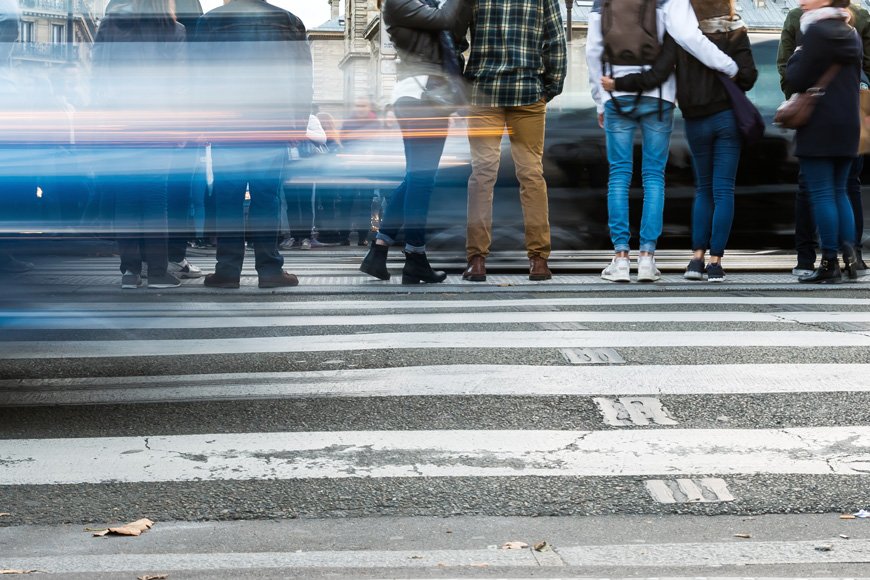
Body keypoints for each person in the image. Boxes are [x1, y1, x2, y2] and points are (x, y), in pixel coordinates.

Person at [603, 0, 758, 282]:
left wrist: (618, 85)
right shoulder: (736, 31)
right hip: (727, 119)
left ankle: (696, 260)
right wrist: (729, 69)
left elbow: (658, 74)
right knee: (724, 190)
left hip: (697, 121)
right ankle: (715, 263)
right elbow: (748, 76)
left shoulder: (682, 34)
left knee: (704, 189)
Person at [193, 0, 312, 289]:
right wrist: (298, 121)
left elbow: (197, 74)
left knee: (227, 199)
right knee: (266, 198)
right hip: (272, 121)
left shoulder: (211, 21)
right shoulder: (288, 20)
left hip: (227, 122)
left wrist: (200, 120)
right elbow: (302, 77)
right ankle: (270, 270)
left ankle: (227, 270)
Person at [359, 0, 472, 283]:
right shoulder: (398, 2)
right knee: (422, 180)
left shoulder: (426, 4)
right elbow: (446, 19)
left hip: (431, 96)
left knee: (415, 179)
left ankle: (380, 250)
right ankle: (415, 257)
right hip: (422, 96)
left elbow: (456, 32)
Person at [461, 0, 566, 282]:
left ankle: (477, 259)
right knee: (531, 174)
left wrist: (462, 81)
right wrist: (550, 87)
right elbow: (556, 41)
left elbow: (454, 37)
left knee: (482, 175)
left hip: (483, 93)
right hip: (528, 92)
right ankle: (538, 260)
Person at [91, 0, 187, 289]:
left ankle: (129, 272)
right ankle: (157, 272)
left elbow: (97, 74)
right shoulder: (174, 30)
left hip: (118, 122)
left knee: (125, 197)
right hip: (159, 122)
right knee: (157, 198)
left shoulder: (109, 26)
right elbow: (179, 84)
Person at [778, 2, 870, 277]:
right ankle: (851, 254)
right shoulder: (850, 32)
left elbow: (796, 77)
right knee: (841, 191)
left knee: (821, 194)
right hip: (849, 122)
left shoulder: (816, 31)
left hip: (820, 123)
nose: (802, 2)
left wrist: (798, 54)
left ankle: (829, 260)